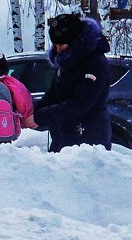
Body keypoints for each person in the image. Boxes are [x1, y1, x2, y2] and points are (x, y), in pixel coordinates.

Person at [33, 13, 112, 152]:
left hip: (88, 143)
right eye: (55, 45)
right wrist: (34, 112)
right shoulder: (67, 63)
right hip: (64, 139)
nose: (58, 49)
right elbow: (52, 94)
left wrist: (42, 116)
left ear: (75, 40)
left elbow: (80, 104)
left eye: (62, 44)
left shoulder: (95, 63)